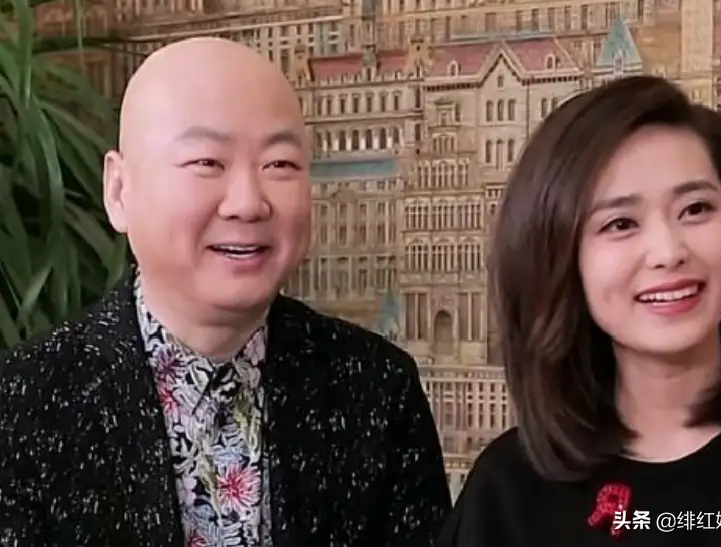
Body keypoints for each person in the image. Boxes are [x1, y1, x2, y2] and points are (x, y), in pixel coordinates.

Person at [0, 38, 451, 546]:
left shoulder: (377, 388)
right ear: (119, 191)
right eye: (207, 162)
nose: (248, 203)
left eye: (279, 165)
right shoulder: (22, 405)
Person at [437, 75, 721, 546]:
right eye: (620, 223)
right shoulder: (509, 491)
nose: (668, 251)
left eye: (695, 209)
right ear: (560, 258)